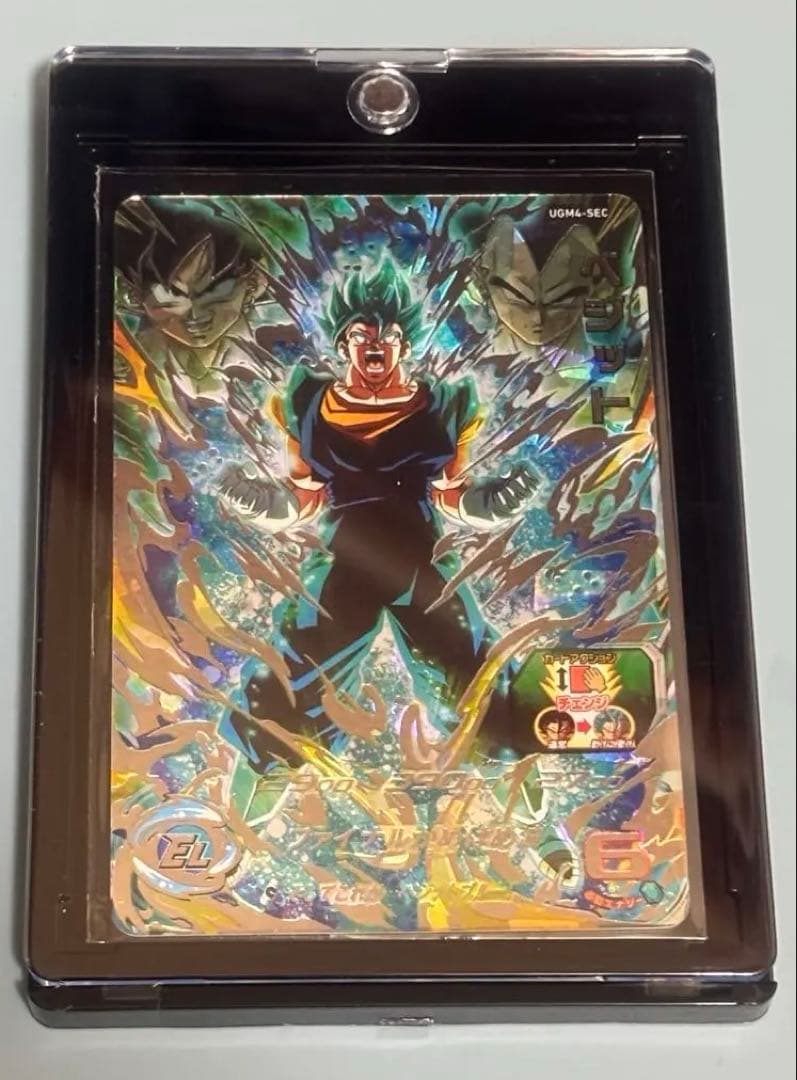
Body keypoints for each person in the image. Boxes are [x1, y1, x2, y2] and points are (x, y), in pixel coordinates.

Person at [218, 260, 538, 769]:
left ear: (404, 345)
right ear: (343, 344)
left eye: (387, 335)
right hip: (344, 562)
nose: (375, 343)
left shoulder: (445, 405)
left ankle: (516, 779)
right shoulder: (307, 402)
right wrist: (258, 501)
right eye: (360, 333)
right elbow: (303, 498)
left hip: (420, 561)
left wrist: (493, 502)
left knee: (473, 671)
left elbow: (451, 494)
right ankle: (260, 781)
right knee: (295, 675)